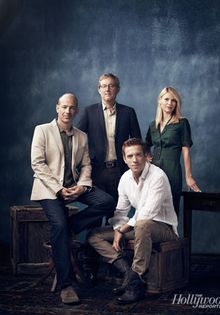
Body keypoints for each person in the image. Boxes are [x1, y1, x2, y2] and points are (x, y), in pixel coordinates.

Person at [30, 93, 115, 305]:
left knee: (107, 202)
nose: (68, 111)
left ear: (76, 111)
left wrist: (83, 186)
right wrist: (59, 189)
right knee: (58, 225)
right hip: (49, 189)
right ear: (57, 108)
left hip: (75, 185)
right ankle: (66, 286)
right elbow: (37, 164)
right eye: (64, 107)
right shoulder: (42, 130)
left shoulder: (81, 136)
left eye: (72, 108)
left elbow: (86, 165)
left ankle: (69, 227)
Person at [88, 138, 178, 304]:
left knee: (143, 224)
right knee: (94, 235)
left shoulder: (158, 176)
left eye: (138, 155)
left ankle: (135, 285)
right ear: (124, 158)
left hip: (163, 228)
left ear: (147, 156)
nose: (134, 160)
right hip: (139, 226)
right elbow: (121, 211)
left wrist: (122, 230)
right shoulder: (125, 178)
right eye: (130, 156)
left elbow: (147, 213)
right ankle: (128, 273)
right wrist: (116, 228)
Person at [78, 73, 141, 204]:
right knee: (96, 212)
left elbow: (137, 142)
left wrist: (134, 169)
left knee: (114, 214)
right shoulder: (89, 112)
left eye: (111, 86)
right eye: (104, 86)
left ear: (118, 89)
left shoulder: (128, 112)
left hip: (119, 170)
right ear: (99, 89)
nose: (107, 89)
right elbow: (78, 139)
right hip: (95, 170)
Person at [145, 87, 201, 215]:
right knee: (152, 207)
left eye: (173, 100)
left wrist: (189, 176)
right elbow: (146, 145)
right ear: (160, 101)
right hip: (153, 171)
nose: (170, 103)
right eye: (166, 99)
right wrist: (148, 156)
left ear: (177, 103)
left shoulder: (182, 123)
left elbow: (186, 151)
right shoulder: (153, 125)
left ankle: (171, 235)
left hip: (172, 170)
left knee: (171, 208)